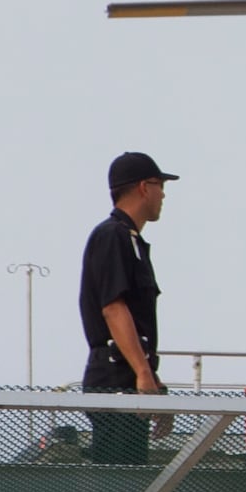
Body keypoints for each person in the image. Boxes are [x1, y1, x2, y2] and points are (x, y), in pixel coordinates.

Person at [79, 151, 178, 465]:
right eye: (160, 185)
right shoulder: (113, 236)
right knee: (118, 483)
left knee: (131, 478)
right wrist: (143, 375)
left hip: (127, 380)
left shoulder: (131, 240)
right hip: (115, 382)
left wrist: (152, 384)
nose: (163, 195)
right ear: (144, 187)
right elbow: (113, 309)